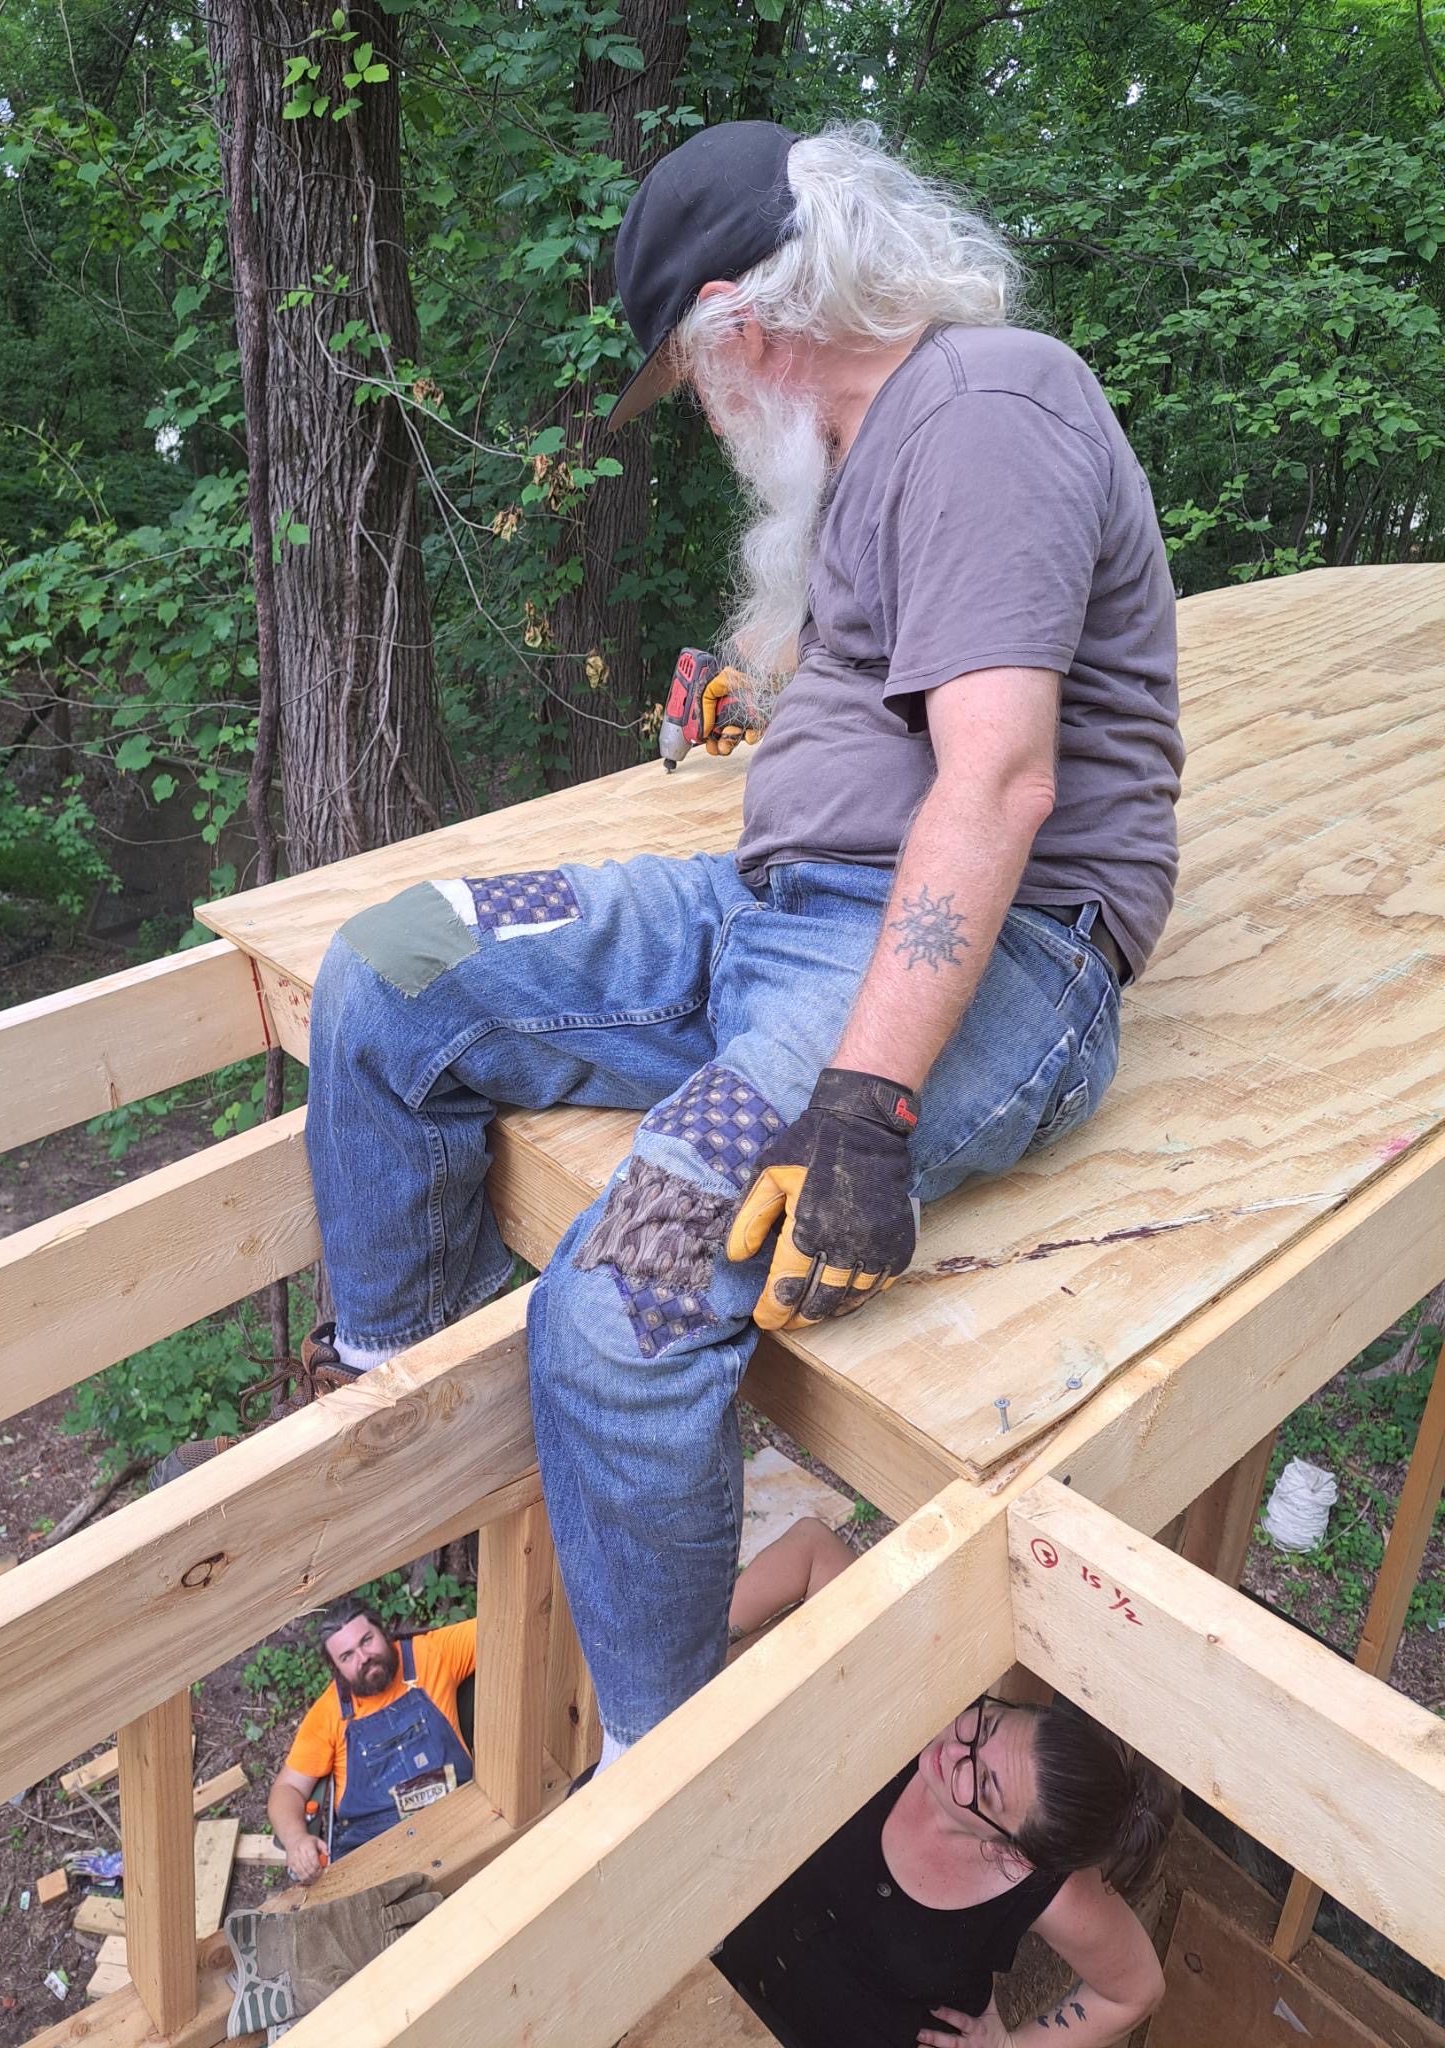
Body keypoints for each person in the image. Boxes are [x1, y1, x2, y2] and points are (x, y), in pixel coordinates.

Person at [161, 120, 1181, 1777]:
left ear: (737, 326)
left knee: (618, 1316)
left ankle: (659, 1770)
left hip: (973, 962)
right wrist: (763, 699)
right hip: (773, 913)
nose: (700, 413)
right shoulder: (879, 448)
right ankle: (417, 1422)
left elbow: (997, 779)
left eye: (688, 378)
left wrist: (865, 1102)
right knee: (394, 964)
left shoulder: (988, 405)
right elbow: (908, 709)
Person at [720, 1521, 1176, 2048]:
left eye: (982, 1786)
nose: (951, 1753)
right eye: (987, 1726)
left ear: (1014, 1852)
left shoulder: (1053, 1889)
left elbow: (1134, 1992)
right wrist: (688, 1679)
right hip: (727, 1985)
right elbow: (813, 1550)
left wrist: (1011, 2046)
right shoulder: (922, 1702)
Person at [267, 1599, 475, 1878]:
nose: (363, 1657)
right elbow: (288, 1788)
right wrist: (296, 1840)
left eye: (367, 1640)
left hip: (458, 1816)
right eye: (347, 1656)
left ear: (383, 1631)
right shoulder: (328, 1714)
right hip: (375, 1850)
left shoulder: (432, 1653)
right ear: (336, 1670)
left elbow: (506, 1621)